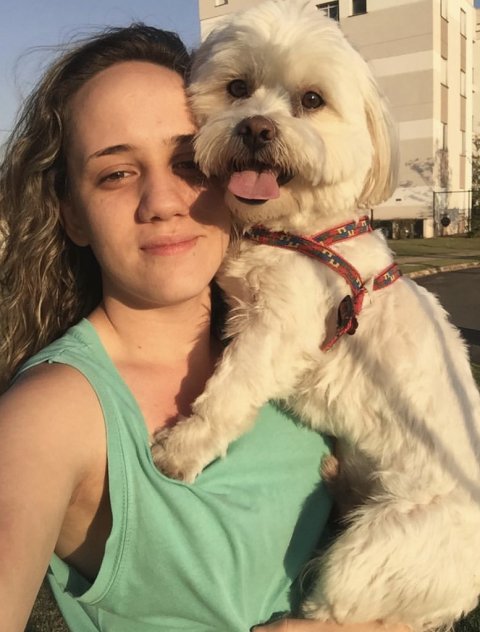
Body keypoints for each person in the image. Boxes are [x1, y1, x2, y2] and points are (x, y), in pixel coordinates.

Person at [0, 24, 410, 632]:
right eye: (116, 174)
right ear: (72, 215)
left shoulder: (303, 345)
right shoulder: (48, 414)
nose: (163, 202)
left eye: (189, 162)